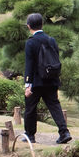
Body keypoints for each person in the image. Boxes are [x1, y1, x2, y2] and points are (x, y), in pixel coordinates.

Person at [23, 12, 72, 145]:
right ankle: (64, 132)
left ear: (29, 26)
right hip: (51, 79)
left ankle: (30, 135)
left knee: (31, 107)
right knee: (54, 106)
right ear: (42, 24)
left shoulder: (31, 42)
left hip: (37, 82)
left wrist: (28, 84)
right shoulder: (51, 40)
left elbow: (29, 65)